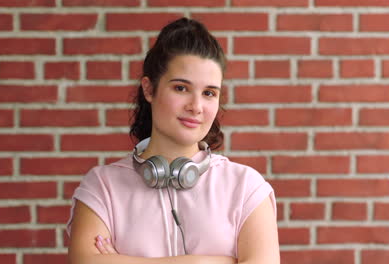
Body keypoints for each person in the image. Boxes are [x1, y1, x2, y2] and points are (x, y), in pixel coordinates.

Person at [66, 17, 280, 264]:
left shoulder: (246, 188)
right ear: (149, 89)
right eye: (181, 88)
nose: (196, 106)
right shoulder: (102, 187)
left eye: (209, 93)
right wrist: (211, 261)